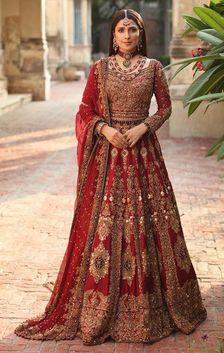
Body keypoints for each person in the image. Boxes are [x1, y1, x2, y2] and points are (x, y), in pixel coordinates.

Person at [14, 8, 207, 345]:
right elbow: (85, 110)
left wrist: (144, 127)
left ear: (141, 34)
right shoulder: (99, 70)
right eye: (122, 29)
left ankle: (156, 305)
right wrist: (103, 128)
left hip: (144, 154)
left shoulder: (154, 68)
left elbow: (165, 107)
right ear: (113, 35)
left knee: (149, 223)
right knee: (105, 224)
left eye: (133, 29)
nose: (128, 35)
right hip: (108, 156)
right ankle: (99, 305)